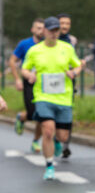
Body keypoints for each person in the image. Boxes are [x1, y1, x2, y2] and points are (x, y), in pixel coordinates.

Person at [21, 16, 82, 180]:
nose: (54, 33)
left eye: (57, 30)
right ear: (44, 31)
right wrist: (30, 76)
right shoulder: (34, 50)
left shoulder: (67, 48)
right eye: (51, 30)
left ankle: (57, 139)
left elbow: (78, 64)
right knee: (47, 130)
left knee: (62, 137)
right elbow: (24, 69)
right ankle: (49, 165)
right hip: (43, 96)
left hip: (64, 98)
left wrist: (74, 72)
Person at [9, 18, 44, 153]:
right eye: (38, 28)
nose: (41, 30)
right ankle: (22, 117)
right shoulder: (24, 44)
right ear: (33, 30)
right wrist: (17, 79)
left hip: (43, 83)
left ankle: (35, 141)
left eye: (43, 28)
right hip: (28, 82)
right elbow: (12, 61)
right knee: (32, 113)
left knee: (42, 113)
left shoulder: (47, 45)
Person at [57, 13, 79, 159]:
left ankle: (66, 145)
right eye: (62, 23)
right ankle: (55, 138)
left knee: (67, 111)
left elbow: (74, 60)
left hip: (68, 81)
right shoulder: (51, 39)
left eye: (67, 23)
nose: (64, 26)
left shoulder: (72, 40)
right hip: (51, 80)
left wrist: (76, 69)